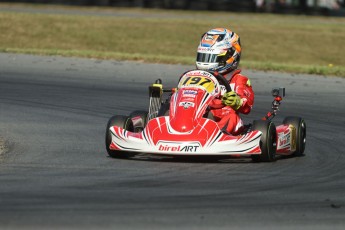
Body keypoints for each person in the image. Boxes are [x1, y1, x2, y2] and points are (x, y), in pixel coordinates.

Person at [195, 28, 254, 135]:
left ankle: (220, 136)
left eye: (212, 58)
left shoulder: (238, 80)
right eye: (204, 57)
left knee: (231, 117)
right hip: (197, 118)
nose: (206, 62)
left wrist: (237, 101)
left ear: (230, 56)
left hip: (224, 121)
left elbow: (247, 106)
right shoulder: (195, 77)